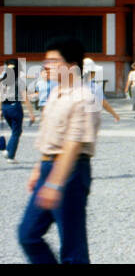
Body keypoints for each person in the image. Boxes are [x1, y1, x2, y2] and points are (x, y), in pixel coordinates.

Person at [18, 37, 98, 264]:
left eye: (54, 61)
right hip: (48, 166)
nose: (46, 65)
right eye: (46, 60)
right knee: (28, 235)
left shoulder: (84, 97)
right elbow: (51, 138)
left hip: (70, 171)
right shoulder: (55, 93)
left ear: (72, 67)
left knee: (72, 246)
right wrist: (38, 168)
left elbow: (73, 144)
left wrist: (54, 183)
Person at [1, 59, 35, 161]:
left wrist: (0, 109)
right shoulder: (19, 81)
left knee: (15, 131)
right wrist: (31, 113)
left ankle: (9, 152)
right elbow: (25, 98)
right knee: (17, 131)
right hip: (15, 107)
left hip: (5, 107)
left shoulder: (3, 80)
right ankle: (9, 154)